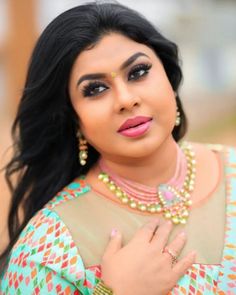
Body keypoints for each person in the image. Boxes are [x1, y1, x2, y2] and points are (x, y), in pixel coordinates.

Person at [0, 1, 235, 294]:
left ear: (170, 78)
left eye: (138, 72)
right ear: (73, 118)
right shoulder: (47, 249)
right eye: (95, 89)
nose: (125, 99)